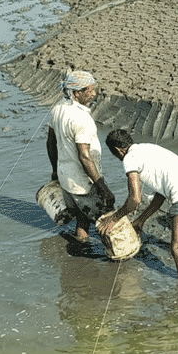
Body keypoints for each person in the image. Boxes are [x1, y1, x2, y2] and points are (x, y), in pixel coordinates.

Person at [97, 130, 178, 282]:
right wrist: (141, 220)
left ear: (117, 150)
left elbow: (135, 199)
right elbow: (160, 195)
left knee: (177, 248)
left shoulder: (130, 158)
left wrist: (114, 218)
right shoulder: (147, 148)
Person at [46, 70, 115, 243]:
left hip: (66, 177)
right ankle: (116, 255)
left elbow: (50, 143)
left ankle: (81, 239)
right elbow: (84, 156)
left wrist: (54, 171)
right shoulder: (81, 119)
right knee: (106, 221)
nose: (94, 94)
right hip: (84, 182)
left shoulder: (57, 109)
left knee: (81, 212)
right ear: (77, 93)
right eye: (90, 91)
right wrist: (101, 186)